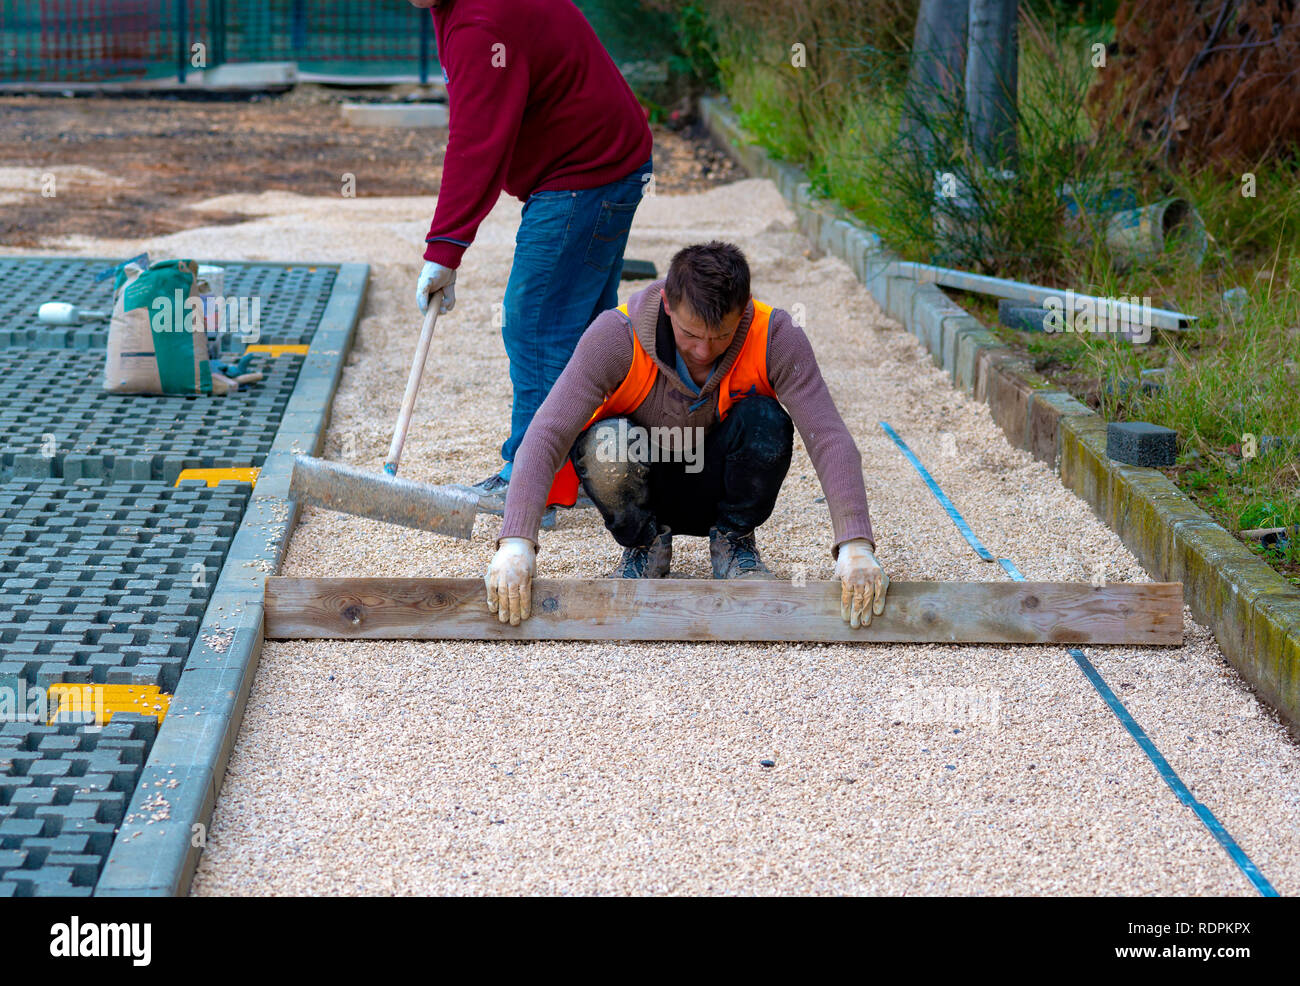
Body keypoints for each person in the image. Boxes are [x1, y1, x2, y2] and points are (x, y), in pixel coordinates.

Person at [482, 241, 889, 629]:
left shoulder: (776, 336)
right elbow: (548, 431)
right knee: (605, 442)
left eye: (721, 336)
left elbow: (828, 436)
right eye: (691, 335)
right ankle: (645, 548)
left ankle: (734, 542)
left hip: (720, 483)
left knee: (766, 420)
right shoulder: (615, 336)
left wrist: (855, 546)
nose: (703, 351)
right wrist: (516, 542)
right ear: (667, 305)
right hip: (644, 485)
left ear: (743, 310)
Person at [408, 0, 654, 517]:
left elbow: (476, 141)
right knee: (586, 330)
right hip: (609, 158)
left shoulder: (480, 22)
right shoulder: (460, 10)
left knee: (536, 322)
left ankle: (531, 480)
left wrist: (446, 247)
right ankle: (590, 469)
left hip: (585, 171)